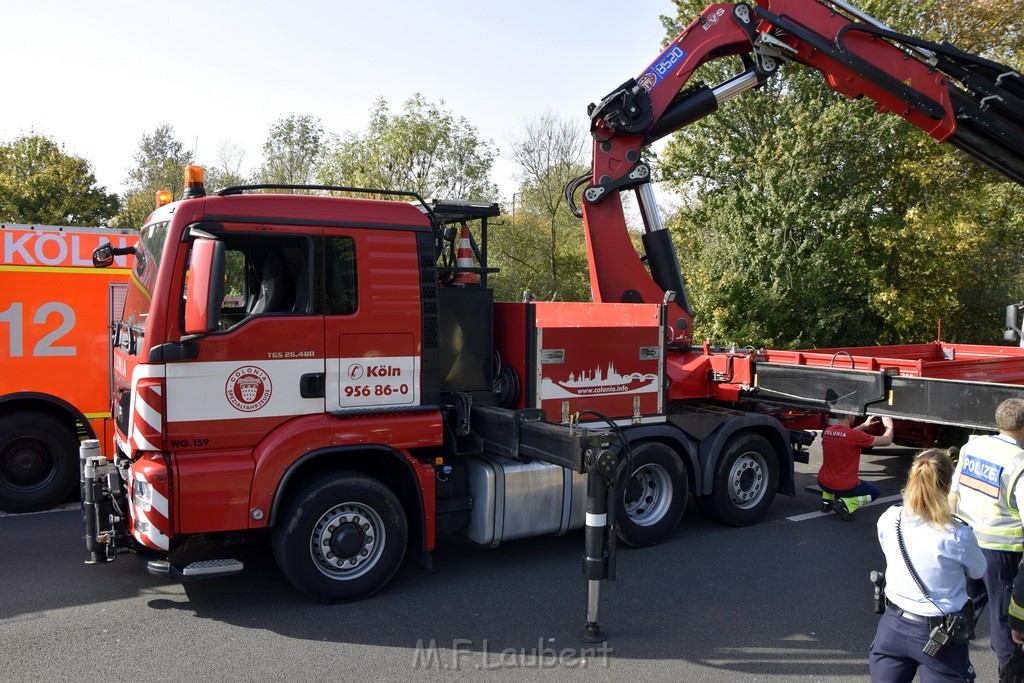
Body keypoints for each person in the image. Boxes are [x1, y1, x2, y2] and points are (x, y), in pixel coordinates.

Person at [869, 449, 987, 681]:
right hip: (941, 636)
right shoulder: (956, 534)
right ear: (947, 486)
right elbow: (978, 570)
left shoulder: (890, 517)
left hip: (893, 625)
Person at [950, 398, 1024, 677]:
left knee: (962, 609)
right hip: (1001, 551)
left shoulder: (974, 445)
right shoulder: (1019, 462)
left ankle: (945, 663)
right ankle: (1011, 673)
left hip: (967, 541)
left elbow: (954, 492)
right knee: (1003, 621)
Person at [819, 413, 894, 521]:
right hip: (844, 486)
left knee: (832, 472)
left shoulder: (828, 431)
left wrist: (865, 424)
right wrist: (889, 426)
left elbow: (847, 434)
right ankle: (845, 504)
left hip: (823, 483)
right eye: (854, 416)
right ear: (850, 417)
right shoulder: (854, 436)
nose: (855, 417)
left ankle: (826, 503)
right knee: (873, 493)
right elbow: (887, 440)